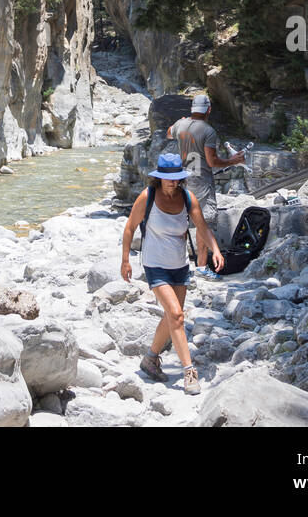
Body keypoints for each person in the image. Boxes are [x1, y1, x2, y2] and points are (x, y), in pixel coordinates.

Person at [120, 152, 224, 395]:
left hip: (179, 265)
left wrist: (215, 250)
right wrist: (125, 260)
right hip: (155, 264)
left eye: (177, 178)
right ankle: (189, 372)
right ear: (159, 178)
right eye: (169, 179)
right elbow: (129, 227)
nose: (173, 182)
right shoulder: (148, 197)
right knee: (177, 315)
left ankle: (150, 359)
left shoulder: (188, 198)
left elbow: (203, 228)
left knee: (171, 318)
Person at [167, 92, 243, 274]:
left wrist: (181, 121)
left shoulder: (180, 125)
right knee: (203, 225)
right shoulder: (208, 131)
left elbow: (169, 133)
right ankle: (201, 268)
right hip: (202, 183)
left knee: (182, 223)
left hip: (182, 182)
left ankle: (179, 265)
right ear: (208, 110)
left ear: (192, 109)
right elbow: (212, 162)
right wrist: (233, 161)